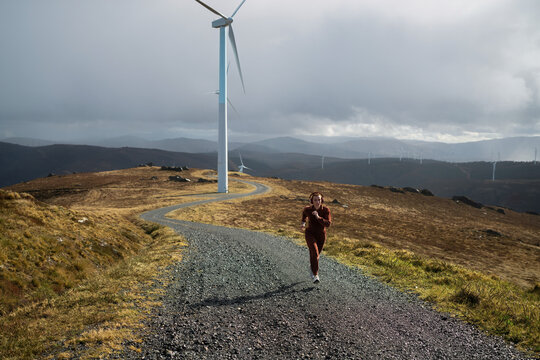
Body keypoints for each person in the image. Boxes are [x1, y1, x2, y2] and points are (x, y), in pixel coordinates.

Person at [301, 192, 332, 283]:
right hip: (310, 234)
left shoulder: (326, 210)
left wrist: (318, 217)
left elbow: (328, 224)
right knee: (314, 252)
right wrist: (303, 223)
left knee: (316, 255)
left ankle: (312, 268)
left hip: (321, 236)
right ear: (312, 201)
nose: (317, 202)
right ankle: (315, 275)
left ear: (321, 200)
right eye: (315, 200)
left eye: (319, 199)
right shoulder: (308, 209)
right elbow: (304, 214)